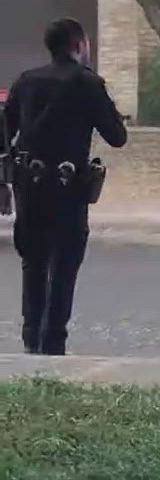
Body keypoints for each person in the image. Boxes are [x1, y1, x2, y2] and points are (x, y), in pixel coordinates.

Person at [0, 18, 127, 356]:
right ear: (78, 45)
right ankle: (53, 341)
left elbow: (4, 131)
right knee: (65, 265)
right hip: (68, 188)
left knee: (34, 263)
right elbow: (117, 137)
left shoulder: (26, 82)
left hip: (29, 185)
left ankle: (31, 340)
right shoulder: (88, 83)